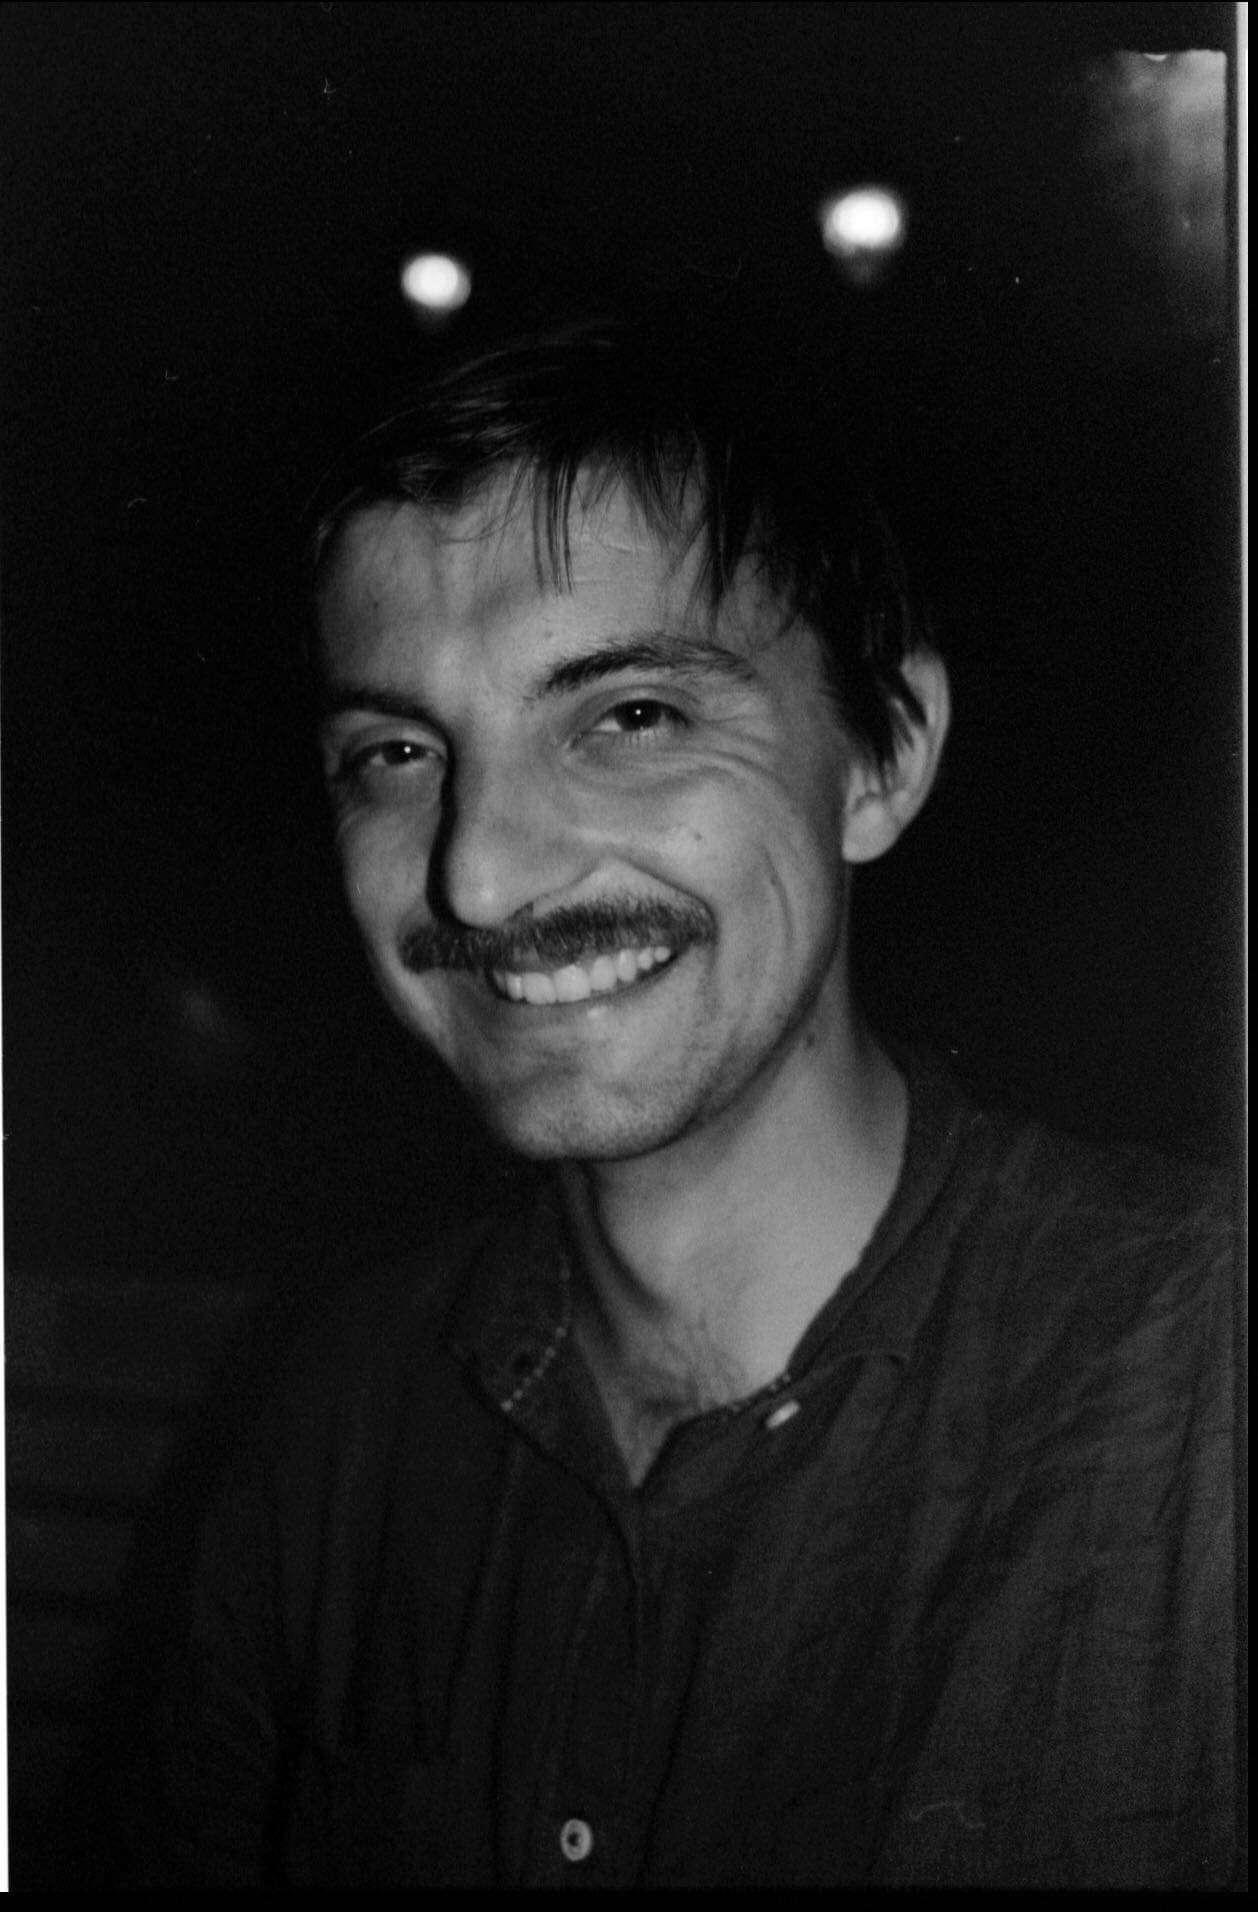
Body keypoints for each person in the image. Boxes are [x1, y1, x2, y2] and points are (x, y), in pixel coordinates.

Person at [141, 322, 1239, 1888]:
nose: (480, 872)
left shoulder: (1199, 1392)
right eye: (397, 751)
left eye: (630, 718)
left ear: (882, 756)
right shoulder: (325, 1423)